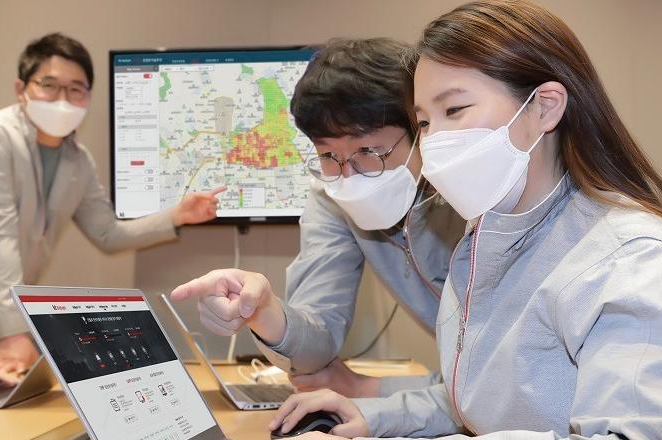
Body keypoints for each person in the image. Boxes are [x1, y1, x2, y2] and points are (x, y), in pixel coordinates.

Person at [265, 1, 662, 439]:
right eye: (424, 122)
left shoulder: (631, 260)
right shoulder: (485, 241)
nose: (435, 142)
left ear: (544, 107)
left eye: (455, 110)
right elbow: (479, 403)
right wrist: (373, 418)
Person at [171, 38, 465, 397]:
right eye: (327, 155)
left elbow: (507, 384)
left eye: (368, 151)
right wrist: (263, 310)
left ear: (420, 130)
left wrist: (367, 388)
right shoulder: (331, 197)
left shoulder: (472, 192)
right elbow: (317, 342)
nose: (349, 176)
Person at [0, 33, 225, 386]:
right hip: (3, 318)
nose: (62, 100)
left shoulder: (78, 160)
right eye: (49, 85)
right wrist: (14, 333)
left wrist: (176, 215)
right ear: (22, 89)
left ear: (88, 96)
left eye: (75, 89)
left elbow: (108, 235)